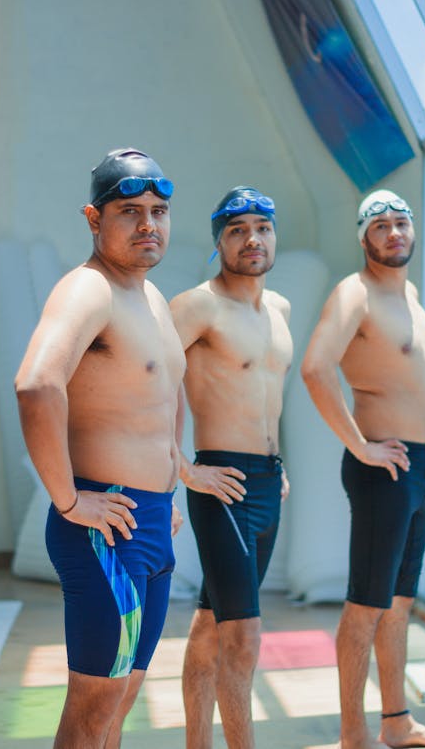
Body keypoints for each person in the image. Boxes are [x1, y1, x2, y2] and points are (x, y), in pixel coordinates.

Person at [15, 147, 185, 749]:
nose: (148, 225)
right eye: (130, 211)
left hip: (151, 522)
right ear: (94, 218)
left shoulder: (152, 297)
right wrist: (68, 502)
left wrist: (172, 483)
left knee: (118, 705)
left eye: (159, 211)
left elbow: (166, 397)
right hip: (106, 531)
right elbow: (37, 385)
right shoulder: (89, 290)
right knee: (93, 712)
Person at [301, 190, 425, 749]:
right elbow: (316, 369)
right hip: (383, 467)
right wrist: (362, 447)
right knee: (366, 605)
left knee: (398, 605)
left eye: (401, 223)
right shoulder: (356, 293)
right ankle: (353, 734)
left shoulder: (411, 295)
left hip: (421, 466)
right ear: (364, 238)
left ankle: (397, 723)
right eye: (381, 226)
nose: (393, 233)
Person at [170, 186, 293, 749]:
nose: (253, 239)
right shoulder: (197, 305)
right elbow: (151, 380)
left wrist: (278, 464)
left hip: (267, 480)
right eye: (238, 229)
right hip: (221, 480)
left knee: (210, 625)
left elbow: (268, 395)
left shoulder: (280, 309)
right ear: (219, 240)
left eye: (262, 228)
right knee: (242, 636)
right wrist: (182, 467)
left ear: (274, 236)